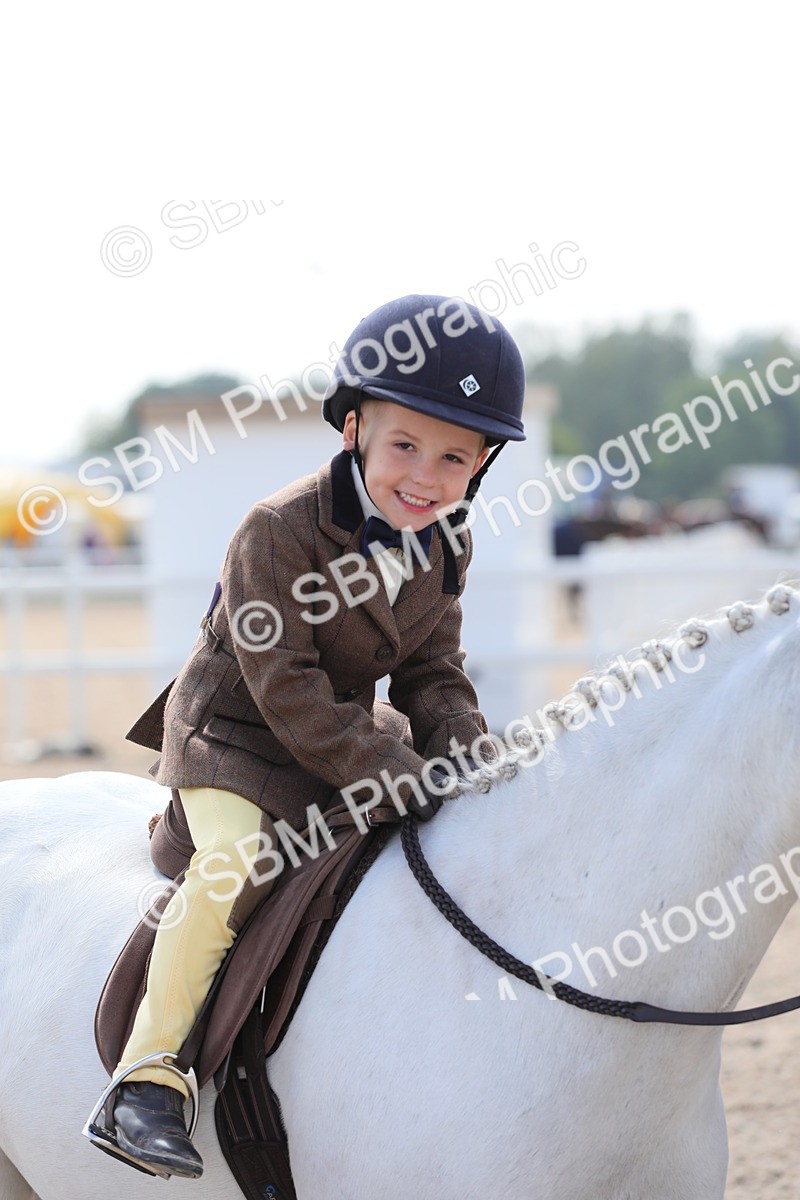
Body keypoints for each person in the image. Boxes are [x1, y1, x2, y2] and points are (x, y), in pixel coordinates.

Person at [98, 293, 526, 1178]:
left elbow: (431, 672)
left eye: (454, 457)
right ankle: (146, 1080)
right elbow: (283, 684)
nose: (426, 475)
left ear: (480, 465)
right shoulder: (275, 530)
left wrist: (469, 752)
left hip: (341, 735)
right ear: (355, 428)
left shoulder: (447, 539)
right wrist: (395, 768)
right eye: (406, 444)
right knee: (228, 870)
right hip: (238, 735)